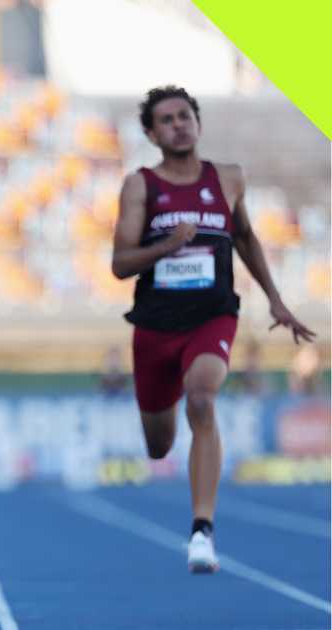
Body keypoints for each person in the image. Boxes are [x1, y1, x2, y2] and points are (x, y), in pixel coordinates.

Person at [112, 86, 314, 573]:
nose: (178, 124)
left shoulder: (228, 179)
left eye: (185, 115)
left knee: (202, 400)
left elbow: (244, 236)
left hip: (213, 314)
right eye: (167, 119)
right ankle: (169, 420)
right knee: (158, 443)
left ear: (197, 123)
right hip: (156, 324)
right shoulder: (141, 186)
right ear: (151, 133)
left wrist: (275, 299)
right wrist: (165, 246)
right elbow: (120, 264)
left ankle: (202, 531)